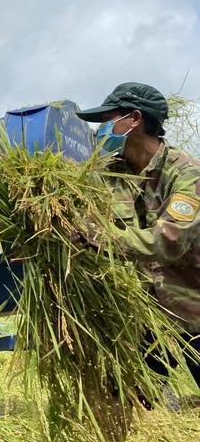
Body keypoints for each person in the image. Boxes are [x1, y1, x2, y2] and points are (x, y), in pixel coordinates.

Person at [75, 82, 200, 395]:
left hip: (194, 311)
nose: (101, 129)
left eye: (107, 119)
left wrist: (93, 236)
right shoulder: (107, 175)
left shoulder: (187, 174)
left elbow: (168, 241)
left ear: (134, 119)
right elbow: (74, 211)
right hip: (149, 319)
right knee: (126, 397)